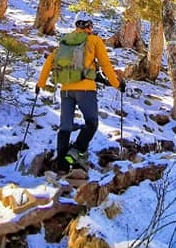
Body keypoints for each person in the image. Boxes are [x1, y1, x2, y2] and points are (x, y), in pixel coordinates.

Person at [36, 18, 125, 173]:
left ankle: (61, 164)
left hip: (65, 90)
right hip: (85, 90)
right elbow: (105, 65)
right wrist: (117, 84)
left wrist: (40, 84)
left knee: (65, 127)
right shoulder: (94, 40)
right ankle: (73, 155)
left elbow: (49, 61)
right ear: (89, 27)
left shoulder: (65, 42)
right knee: (92, 123)